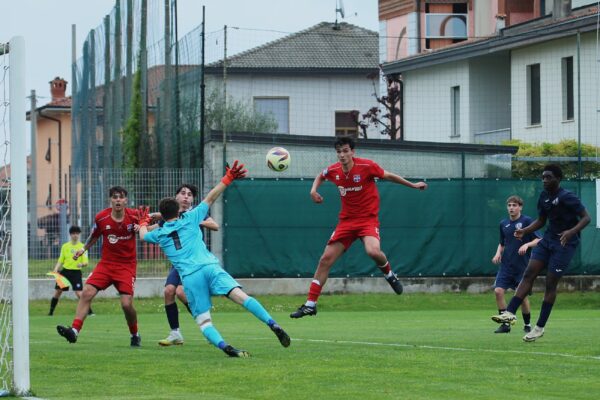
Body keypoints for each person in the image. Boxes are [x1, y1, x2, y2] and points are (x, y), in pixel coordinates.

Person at [140, 161, 291, 357]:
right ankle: (272, 323)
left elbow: (143, 235)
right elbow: (211, 197)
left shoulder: (159, 233)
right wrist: (228, 178)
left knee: (204, 321)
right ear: (178, 211)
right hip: (210, 267)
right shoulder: (192, 217)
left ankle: (226, 347)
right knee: (242, 297)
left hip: (191, 278)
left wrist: (143, 221)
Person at [290, 136, 428, 319]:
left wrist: (413, 185)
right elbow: (321, 175)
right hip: (346, 222)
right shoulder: (333, 170)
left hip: (367, 220)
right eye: (339, 151)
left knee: (373, 252)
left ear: (353, 152)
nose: (342, 155)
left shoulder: (366, 166)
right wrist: (313, 190)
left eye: (346, 151)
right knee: (325, 259)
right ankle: (310, 305)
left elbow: (388, 175)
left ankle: (389, 274)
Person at [492, 164, 590, 341]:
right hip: (548, 240)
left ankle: (539, 327)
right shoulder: (544, 196)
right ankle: (510, 313)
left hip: (565, 244)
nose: (544, 180)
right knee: (529, 273)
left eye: (548, 177)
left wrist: (571, 231)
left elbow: (586, 217)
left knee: (550, 284)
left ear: (558, 179)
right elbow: (541, 220)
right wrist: (525, 230)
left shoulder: (567, 197)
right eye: (543, 177)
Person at [57, 186, 143, 347]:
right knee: (86, 293)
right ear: (110, 200)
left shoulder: (134, 216)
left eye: (121, 197)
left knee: (126, 304)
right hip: (106, 264)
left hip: (126, 266)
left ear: (126, 200)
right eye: (115, 197)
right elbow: (94, 236)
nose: (118, 200)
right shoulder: (101, 218)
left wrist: (145, 227)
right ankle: (74, 331)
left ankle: (135, 334)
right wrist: (82, 249)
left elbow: (150, 225)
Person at [153, 183, 219, 346]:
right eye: (183, 193)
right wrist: (141, 225)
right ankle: (175, 333)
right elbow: (152, 228)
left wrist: (197, 221)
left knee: (182, 293)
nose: (186, 196)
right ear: (176, 197)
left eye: (189, 194)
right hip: (180, 264)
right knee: (169, 291)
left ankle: (207, 327)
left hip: (195, 263)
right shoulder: (168, 216)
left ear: (192, 200)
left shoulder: (196, 214)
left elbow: (215, 225)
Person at [491, 195, 541, 334]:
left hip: (523, 267)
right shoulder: (503, 223)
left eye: (514, 205)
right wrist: (497, 253)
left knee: (522, 296)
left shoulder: (527, 221)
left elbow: (539, 240)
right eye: (509, 205)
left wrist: (527, 244)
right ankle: (505, 324)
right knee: (498, 291)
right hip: (506, 266)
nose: (511, 208)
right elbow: (502, 243)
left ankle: (527, 324)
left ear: (520, 207)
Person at [48, 226, 95, 316]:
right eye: (73, 233)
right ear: (70, 235)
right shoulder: (65, 246)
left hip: (76, 273)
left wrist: (81, 264)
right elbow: (61, 260)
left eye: (77, 233)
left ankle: (90, 312)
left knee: (79, 293)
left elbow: (86, 262)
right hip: (65, 272)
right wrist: (56, 269)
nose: (75, 235)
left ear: (79, 235)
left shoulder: (82, 247)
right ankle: (51, 312)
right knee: (58, 292)